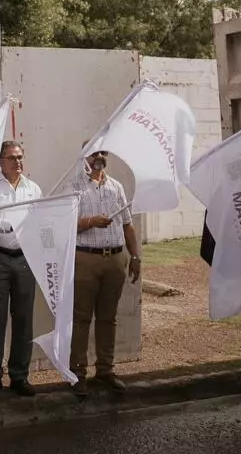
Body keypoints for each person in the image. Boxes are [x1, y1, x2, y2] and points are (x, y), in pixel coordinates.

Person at [69, 148, 141, 397]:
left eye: (102, 152)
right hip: (86, 258)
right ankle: (77, 373)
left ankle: (105, 370)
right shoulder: (74, 186)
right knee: (81, 318)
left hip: (115, 259)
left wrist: (135, 256)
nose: (98, 157)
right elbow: (65, 224)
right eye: (93, 153)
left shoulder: (116, 187)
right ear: (83, 157)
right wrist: (91, 222)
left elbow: (127, 225)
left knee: (108, 317)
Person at [0, 141, 41, 398]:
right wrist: (11, 223)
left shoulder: (33, 188)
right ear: (1, 161)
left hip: (25, 259)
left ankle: (19, 376)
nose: (17, 162)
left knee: (24, 318)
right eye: (12, 158)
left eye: (20, 157)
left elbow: (39, 217)